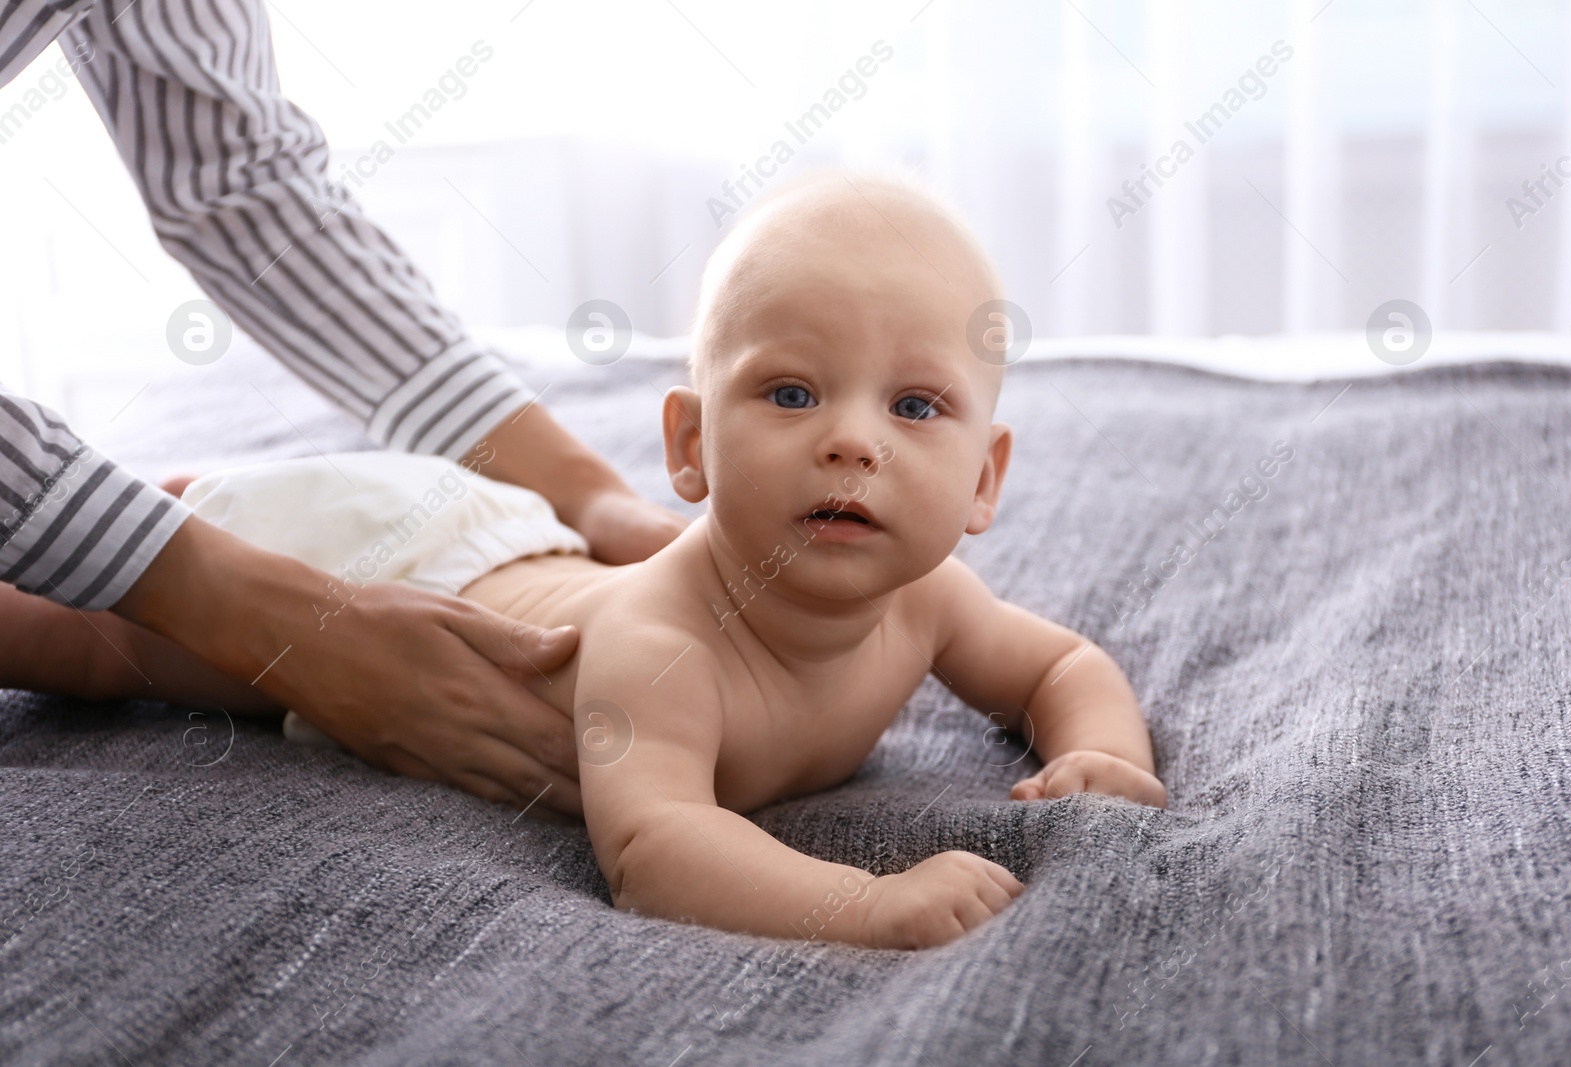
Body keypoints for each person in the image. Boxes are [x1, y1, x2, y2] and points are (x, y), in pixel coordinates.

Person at [93, 172, 1169, 949]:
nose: (852, 439)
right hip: (392, 570)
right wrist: (867, 903)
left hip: (512, 537)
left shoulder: (929, 599)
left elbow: (1057, 666)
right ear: (690, 446)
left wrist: (1103, 750)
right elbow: (656, 849)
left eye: (915, 404)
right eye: (790, 392)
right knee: (100, 638)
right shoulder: (661, 644)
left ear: (984, 478)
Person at [0, 0, 687, 817]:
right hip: (384, 546)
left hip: (447, 522)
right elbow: (659, 854)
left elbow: (241, 180)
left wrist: (588, 490)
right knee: (91, 641)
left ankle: (196, 515)